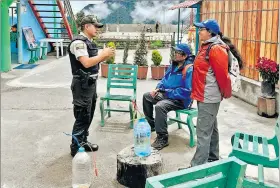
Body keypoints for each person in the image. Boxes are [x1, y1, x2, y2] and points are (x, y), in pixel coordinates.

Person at [179, 19, 243, 168]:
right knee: (211, 128)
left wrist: (225, 94)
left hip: (209, 96)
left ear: (210, 32)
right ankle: (213, 158)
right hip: (204, 95)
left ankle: (197, 167)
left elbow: (222, 77)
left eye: (202, 29)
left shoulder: (215, 49)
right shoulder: (207, 46)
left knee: (202, 132)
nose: (199, 31)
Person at [68, 15, 115, 157]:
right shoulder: (79, 43)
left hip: (89, 84)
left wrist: (103, 55)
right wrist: (104, 55)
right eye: (95, 26)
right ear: (86, 26)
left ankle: (83, 141)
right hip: (82, 85)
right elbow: (86, 63)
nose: (97, 29)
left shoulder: (88, 42)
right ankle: (75, 146)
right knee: (82, 116)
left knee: (88, 114)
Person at [142, 43, 194, 150]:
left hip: (180, 100)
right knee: (147, 96)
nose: (175, 54)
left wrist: (167, 92)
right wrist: (158, 88)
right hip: (167, 95)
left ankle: (162, 138)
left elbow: (187, 91)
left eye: (178, 52)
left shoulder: (189, 69)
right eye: (175, 52)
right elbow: (164, 80)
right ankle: (152, 125)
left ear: (184, 56)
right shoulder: (173, 65)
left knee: (160, 106)